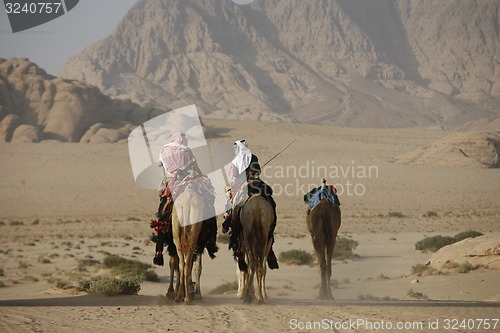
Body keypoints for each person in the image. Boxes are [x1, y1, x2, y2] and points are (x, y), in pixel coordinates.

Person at [150, 132, 218, 266]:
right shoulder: (187, 151)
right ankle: (210, 238)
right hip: (189, 181)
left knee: (163, 207)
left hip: (172, 183)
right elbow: (196, 168)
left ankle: (160, 243)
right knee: (208, 199)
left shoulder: (165, 149)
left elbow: (159, 164)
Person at [223, 139, 279, 270]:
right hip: (257, 183)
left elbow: (234, 177)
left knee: (232, 204)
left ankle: (231, 225)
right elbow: (257, 172)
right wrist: (253, 175)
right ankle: (271, 237)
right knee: (270, 200)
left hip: (242, 184)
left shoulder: (235, 161)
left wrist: (243, 179)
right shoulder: (253, 157)